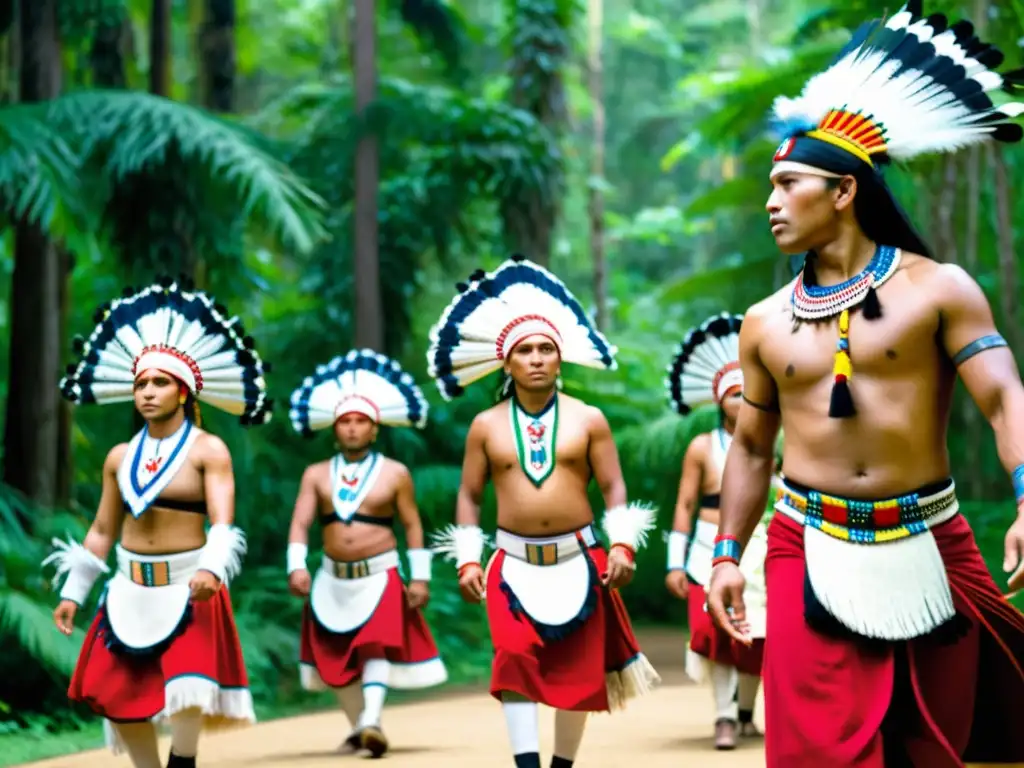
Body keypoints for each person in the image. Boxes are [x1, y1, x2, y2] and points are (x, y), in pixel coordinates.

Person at [705, 3, 1024, 765]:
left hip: (931, 540)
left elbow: (1004, 396)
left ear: (844, 191)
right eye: (770, 187)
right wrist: (724, 554)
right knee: (817, 751)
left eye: (789, 184)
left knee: (933, 745)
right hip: (803, 543)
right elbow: (751, 448)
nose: (771, 202)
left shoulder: (939, 289)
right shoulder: (764, 322)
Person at [426, 255, 660, 768]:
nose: (536, 358)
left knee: (578, 674)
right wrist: (467, 558)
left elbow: (614, 484)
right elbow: (468, 495)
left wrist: (621, 543)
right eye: (525, 350)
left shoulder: (589, 420)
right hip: (511, 564)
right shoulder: (485, 426)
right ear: (506, 363)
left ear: (561, 359)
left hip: (580, 560)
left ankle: (561, 766)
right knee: (513, 661)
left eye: (546, 349)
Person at [45, 278, 272, 768]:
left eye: (160, 382)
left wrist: (213, 568)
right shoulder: (119, 457)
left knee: (188, 690)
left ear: (184, 392)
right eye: (140, 383)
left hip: (189, 585)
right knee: (119, 696)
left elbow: (223, 519)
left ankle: (182, 763)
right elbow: (103, 529)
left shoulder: (209, 450)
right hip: (129, 589)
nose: (147, 392)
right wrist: (73, 591)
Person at [286, 349, 447, 757]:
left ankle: (372, 719)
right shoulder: (315, 474)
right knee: (335, 657)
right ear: (334, 428)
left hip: (380, 574)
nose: (353, 428)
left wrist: (422, 577)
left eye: (361, 422)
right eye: (346, 422)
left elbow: (412, 525)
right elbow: (302, 523)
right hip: (332, 576)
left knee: (376, 644)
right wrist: (296, 566)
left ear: (374, 429)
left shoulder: (395, 473)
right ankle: (361, 727)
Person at [664, 312, 765, 749]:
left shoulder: (773, 444)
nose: (742, 402)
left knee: (757, 634)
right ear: (719, 399)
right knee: (714, 633)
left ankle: (745, 714)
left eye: (750, 394)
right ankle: (723, 716)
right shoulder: (702, 448)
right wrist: (674, 563)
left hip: (759, 549)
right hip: (706, 548)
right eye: (734, 394)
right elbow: (684, 505)